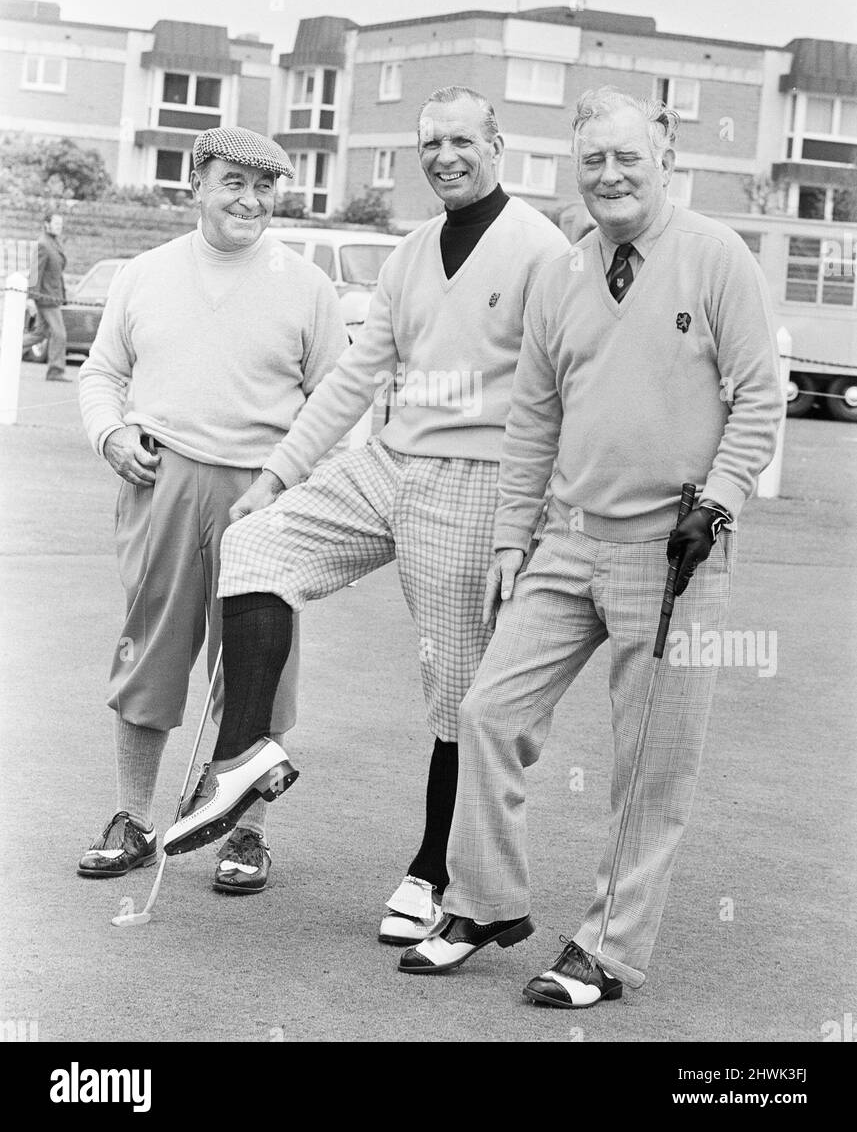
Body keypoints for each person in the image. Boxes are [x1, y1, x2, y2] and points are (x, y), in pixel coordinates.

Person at [398, 86, 783, 1005]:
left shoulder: (714, 257)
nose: (609, 176)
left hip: (675, 549)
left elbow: (758, 397)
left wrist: (718, 502)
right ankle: (485, 902)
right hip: (565, 542)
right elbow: (532, 414)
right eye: (591, 162)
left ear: (666, 164)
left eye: (627, 159)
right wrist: (509, 536)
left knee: (648, 759)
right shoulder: (563, 272)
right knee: (488, 710)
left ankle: (605, 950)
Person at [162, 86, 570, 947]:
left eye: (461, 139)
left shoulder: (539, 248)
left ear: (497, 145)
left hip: (480, 476)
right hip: (390, 461)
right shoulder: (410, 251)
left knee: (456, 695)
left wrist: (528, 518)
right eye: (430, 142)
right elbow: (353, 378)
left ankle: (432, 871)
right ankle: (243, 757)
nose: (444, 155)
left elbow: (561, 389)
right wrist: (276, 475)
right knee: (257, 543)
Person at [76, 127, 348, 894]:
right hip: (160, 479)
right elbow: (102, 373)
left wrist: (300, 487)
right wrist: (112, 433)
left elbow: (335, 399)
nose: (250, 200)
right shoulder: (146, 273)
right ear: (197, 183)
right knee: (151, 651)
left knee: (260, 664)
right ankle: (131, 820)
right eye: (233, 181)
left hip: (265, 493)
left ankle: (248, 833)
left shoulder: (306, 286)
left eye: (265, 187)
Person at [24, 211, 69, 380]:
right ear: (46, 224)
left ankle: (7, 349)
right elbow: (35, 273)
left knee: (39, 334)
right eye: (56, 224)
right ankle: (55, 371)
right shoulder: (43, 244)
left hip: (53, 296)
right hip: (45, 298)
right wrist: (30, 298)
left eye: (60, 224)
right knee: (59, 334)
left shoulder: (54, 242)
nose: (59, 227)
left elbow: (56, 272)